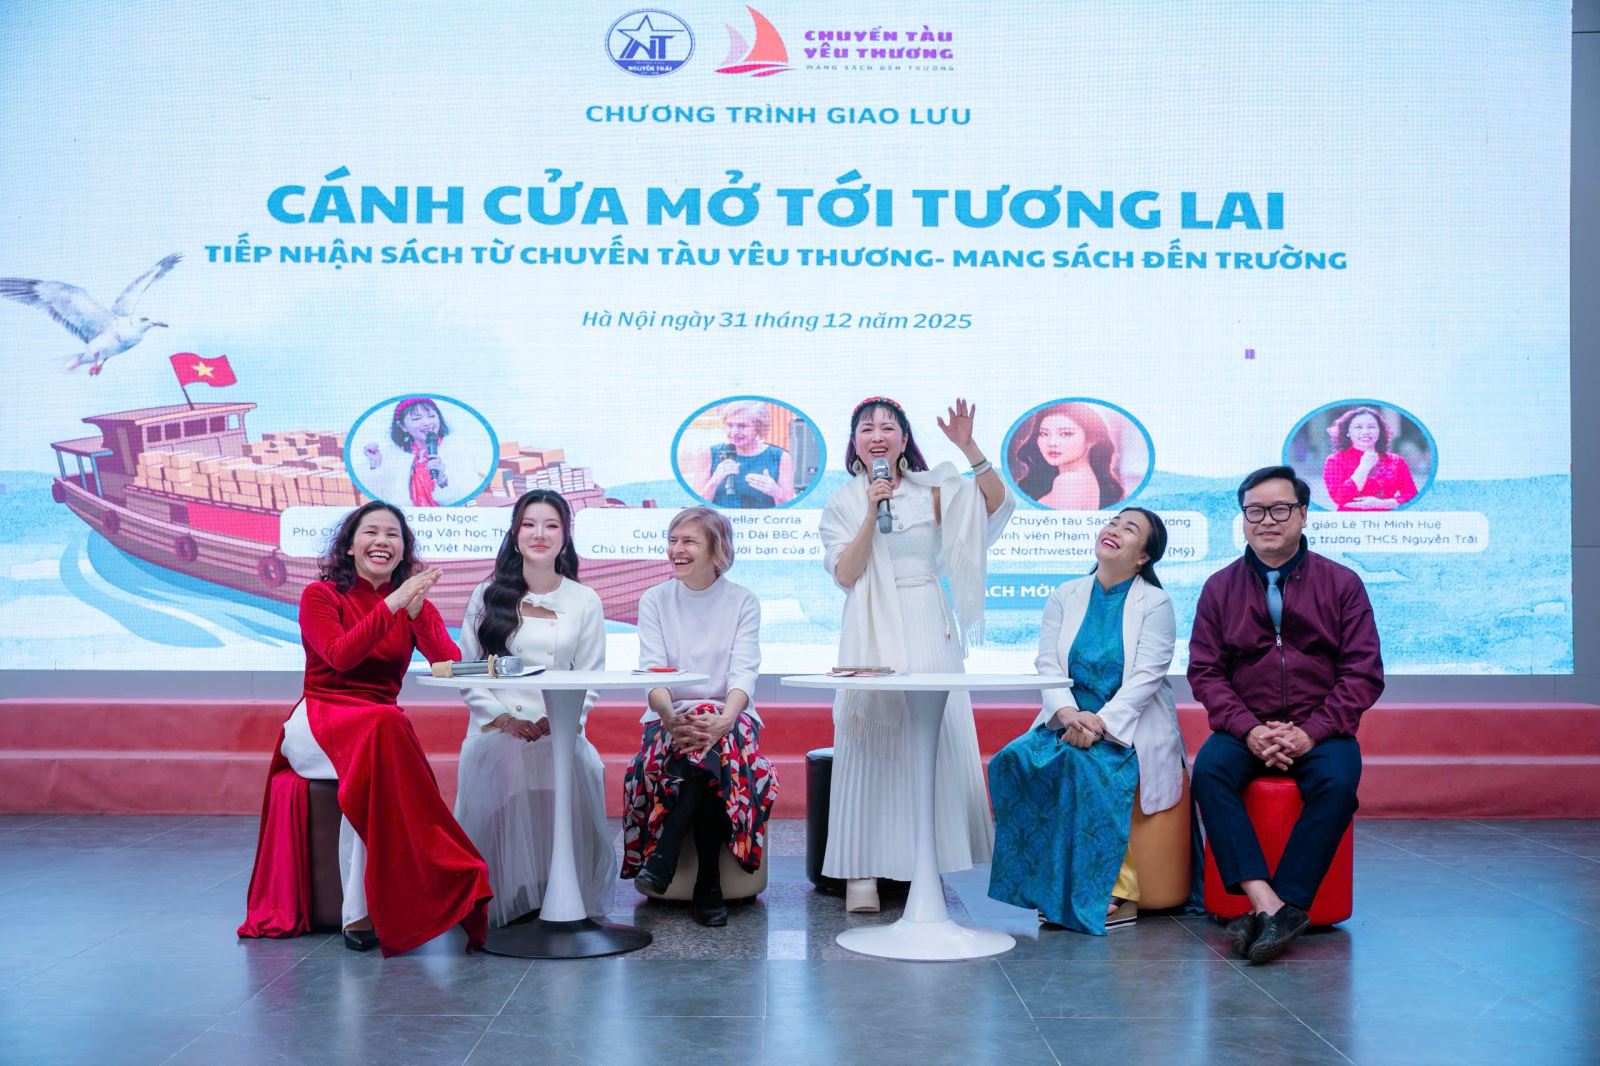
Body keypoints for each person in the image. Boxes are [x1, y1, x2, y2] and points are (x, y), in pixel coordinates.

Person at [238, 502, 491, 955]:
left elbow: (448, 665)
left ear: (403, 550)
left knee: (378, 757)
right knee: (386, 730)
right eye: (370, 532)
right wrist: (392, 605)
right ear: (350, 546)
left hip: (376, 728)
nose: (382, 541)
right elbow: (340, 657)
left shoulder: (410, 601)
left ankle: (365, 911)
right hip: (320, 719)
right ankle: (439, 871)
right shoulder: (320, 596)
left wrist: (417, 614)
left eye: (393, 535)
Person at [819, 396, 1014, 913]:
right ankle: (862, 869)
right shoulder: (842, 500)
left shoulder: (933, 489)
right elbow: (846, 573)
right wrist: (871, 509)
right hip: (870, 625)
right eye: (866, 428)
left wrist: (969, 448)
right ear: (854, 443)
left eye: (888, 427)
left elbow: (994, 504)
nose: (877, 436)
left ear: (904, 440)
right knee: (870, 740)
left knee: (929, 736)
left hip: (926, 617)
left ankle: (926, 861)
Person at [1189, 466, 1384, 964]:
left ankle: (1286, 902)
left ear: (1303, 513)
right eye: (1255, 511)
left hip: (1321, 728)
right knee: (1209, 772)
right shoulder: (1219, 587)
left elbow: (1363, 673)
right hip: (1245, 727)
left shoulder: (1342, 584)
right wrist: (1250, 729)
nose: (1267, 521)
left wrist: (1311, 732)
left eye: (1280, 509)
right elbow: (1206, 673)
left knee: (1337, 784)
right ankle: (1269, 904)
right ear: (1243, 519)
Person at [987, 508, 1184, 933]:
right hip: (1068, 719)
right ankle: (1045, 886)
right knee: (1010, 760)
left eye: (1129, 529)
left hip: (1124, 727)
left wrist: (1098, 725)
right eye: (1114, 522)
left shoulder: (1156, 603)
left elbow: (1146, 677)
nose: (1114, 529)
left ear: (1143, 557)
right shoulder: (1066, 594)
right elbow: (1048, 664)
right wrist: (1069, 715)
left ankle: (1116, 890)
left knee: (1084, 766)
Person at [454, 490, 614, 925]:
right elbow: (469, 670)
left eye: (551, 525)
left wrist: (561, 722)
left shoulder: (585, 599)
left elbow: (592, 677)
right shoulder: (487, 594)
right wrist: (506, 720)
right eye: (529, 524)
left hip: (557, 728)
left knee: (575, 766)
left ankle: (559, 895)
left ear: (566, 535)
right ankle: (506, 898)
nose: (539, 534)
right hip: (495, 728)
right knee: (508, 762)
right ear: (515, 532)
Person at [621, 506, 776, 926]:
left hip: (731, 716)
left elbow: (744, 673)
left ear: (717, 549)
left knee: (713, 747)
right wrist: (670, 718)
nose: (677, 549)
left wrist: (725, 719)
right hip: (670, 717)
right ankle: (708, 884)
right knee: (706, 757)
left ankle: (666, 855)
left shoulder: (742, 600)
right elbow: (653, 675)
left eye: (688, 541)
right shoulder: (655, 599)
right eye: (672, 541)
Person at [361, 396, 489, 507]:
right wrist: (375, 463)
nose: (427, 423)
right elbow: (379, 497)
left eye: (431, 416)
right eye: (416, 418)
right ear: (402, 426)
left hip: (452, 521)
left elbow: (467, 495)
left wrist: (441, 479)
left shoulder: (460, 448)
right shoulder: (393, 455)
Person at [1009, 402, 1126, 510]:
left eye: (1066, 434)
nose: (1052, 443)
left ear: (1091, 439)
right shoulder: (1084, 479)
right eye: (1044, 433)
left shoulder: (1069, 482)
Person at [692, 400, 797, 508]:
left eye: (742, 426)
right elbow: (695, 507)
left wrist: (777, 493)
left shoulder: (780, 457)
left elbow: (790, 509)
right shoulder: (708, 454)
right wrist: (714, 481)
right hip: (717, 519)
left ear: (759, 428)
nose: (734, 432)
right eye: (729, 425)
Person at [1321, 405, 1418, 511]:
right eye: (1358, 427)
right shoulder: (1335, 460)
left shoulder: (1396, 461)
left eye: (1371, 427)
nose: (1365, 432)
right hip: (1349, 519)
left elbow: (1412, 495)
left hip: (1386, 519)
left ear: (1379, 431)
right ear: (1347, 432)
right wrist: (1364, 467)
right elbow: (1339, 497)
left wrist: (1381, 504)